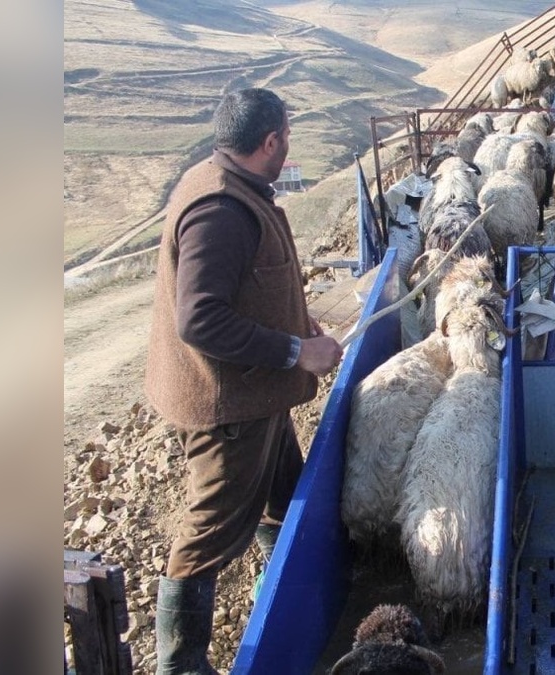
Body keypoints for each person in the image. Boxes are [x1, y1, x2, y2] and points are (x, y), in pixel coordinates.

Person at [144, 87, 344, 674]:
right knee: (208, 530)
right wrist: (295, 350)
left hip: (256, 394)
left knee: (283, 490)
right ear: (270, 142)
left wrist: (294, 318)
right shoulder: (219, 210)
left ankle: (277, 579)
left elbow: (247, 283)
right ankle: (180, 663)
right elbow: (199, 317)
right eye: (287, 136)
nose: (290, 146)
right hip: (226, 406)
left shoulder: (226, 180)